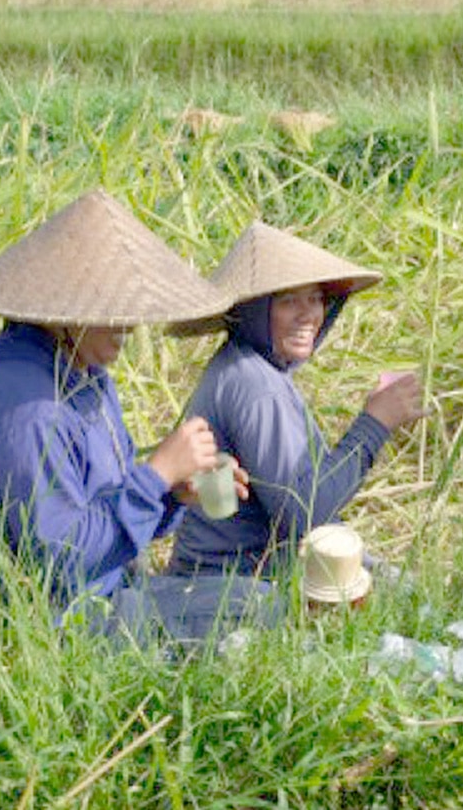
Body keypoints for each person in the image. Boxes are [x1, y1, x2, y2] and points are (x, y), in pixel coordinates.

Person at [0, 189, 243, 641]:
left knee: (252, 599)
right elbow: (60, 559)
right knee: (251, 611)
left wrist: (174, 495)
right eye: (112, 310)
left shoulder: (87, 379)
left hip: (105, 594)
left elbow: (107, 523)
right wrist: (156, 474)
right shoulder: (31, 408)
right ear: (67, 312)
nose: (130, 325)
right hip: (57, 628)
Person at [160, 222, 427, 639]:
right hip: (230, 588)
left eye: (316, 299)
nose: (309, 315)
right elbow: (305, 511)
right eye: (288, 302)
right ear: (253, 312)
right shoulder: (253, 385)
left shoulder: (255, 368)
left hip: (261, 572)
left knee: (405, 592)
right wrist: (375, 423)